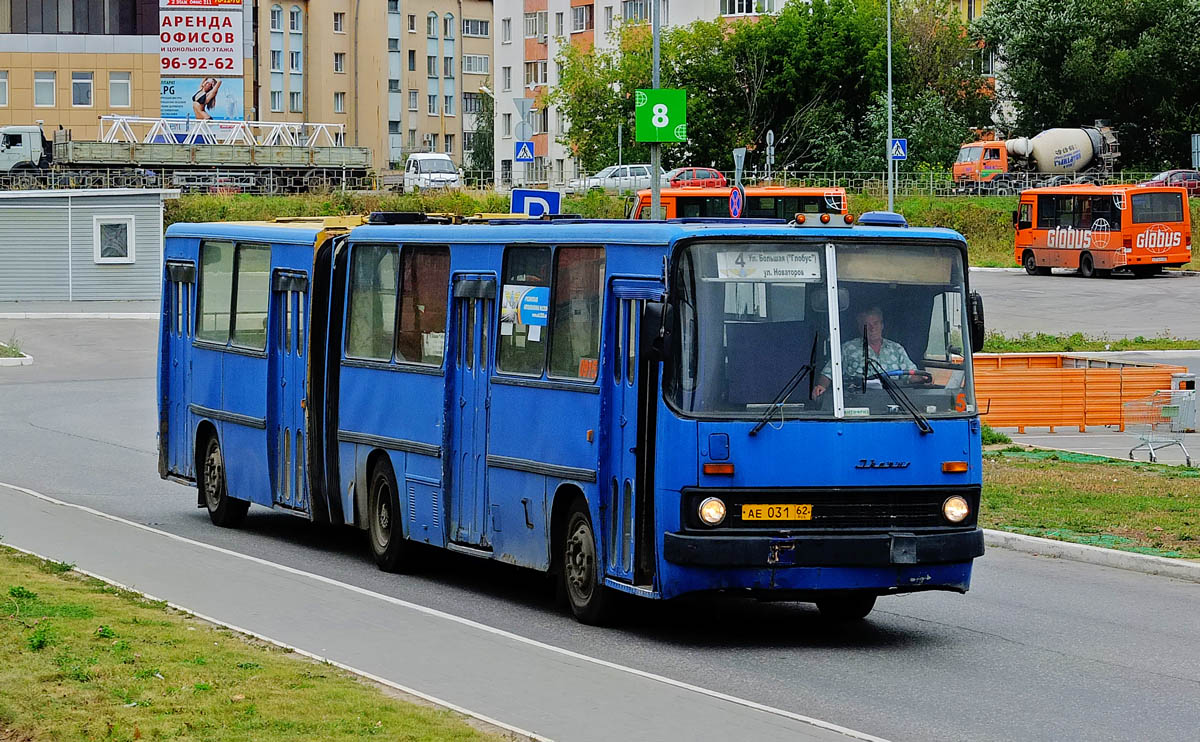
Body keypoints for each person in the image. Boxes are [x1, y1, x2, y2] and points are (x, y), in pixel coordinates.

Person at [812, 306, 916, 398]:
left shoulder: (897, 349)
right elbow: (828, 374)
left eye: (875, 323)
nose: (872, 328)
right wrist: (821, 387)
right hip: (859, 402)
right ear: (860, 327)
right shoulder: (848, 349)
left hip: (894, 402)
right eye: (867, 325)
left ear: (882, 325)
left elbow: (910, 375)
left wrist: (925, 378)